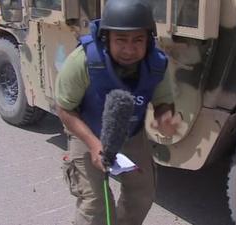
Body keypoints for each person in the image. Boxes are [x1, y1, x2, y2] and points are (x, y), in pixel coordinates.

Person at [54, 0, 182, 224]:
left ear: (148, 40)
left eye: (138, 40)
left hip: (130, 134)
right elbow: (64, 109)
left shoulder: (155, 64)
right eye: (121, 40)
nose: (130, 49)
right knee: (95, 205)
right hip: (87, 132)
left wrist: (164, 117)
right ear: (107, 38)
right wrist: (94, 145)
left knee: (142, 193)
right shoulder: (83, 61)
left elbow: (163, 102)